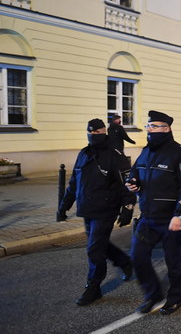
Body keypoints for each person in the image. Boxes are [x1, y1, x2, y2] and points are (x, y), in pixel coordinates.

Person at [57, 118, 135, 306]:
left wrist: (128, 208)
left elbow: (128, 184)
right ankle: (124, 262)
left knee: (94, 249)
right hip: (87, 208)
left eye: (97, 133)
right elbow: (74, 183)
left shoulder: (115, 155)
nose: (93, 135)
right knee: (99, 245)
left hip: (106, 209)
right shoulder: (83, 154)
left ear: (104, 132)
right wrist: (64, 206)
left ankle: (93, 287)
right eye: (90, 133)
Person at [125, 110, 181, 315]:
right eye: (149, 126)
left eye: (155, 127)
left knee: (173, 261)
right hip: (148, 217)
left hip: (171, 218)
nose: (150, 130)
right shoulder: (146, 152)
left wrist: (180, 214)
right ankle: (152, 294)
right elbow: (134, 172)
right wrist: (132, 183)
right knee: (137, 257)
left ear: (167, 128)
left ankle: (173, 298)